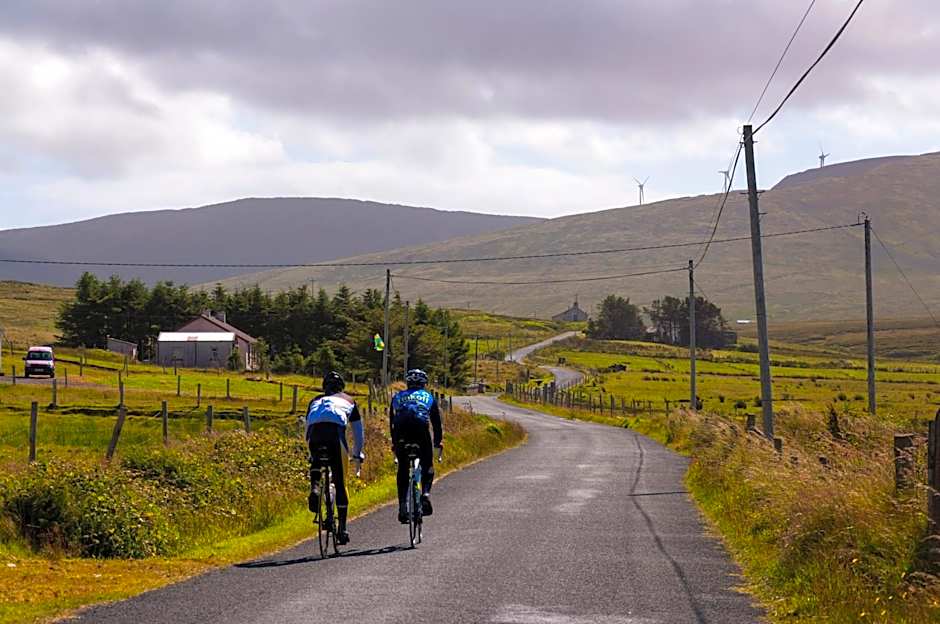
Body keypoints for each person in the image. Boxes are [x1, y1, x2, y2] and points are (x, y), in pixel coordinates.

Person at [306, 371, 364, 545]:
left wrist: (310, 453)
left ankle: (315, 487)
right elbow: (358, 433)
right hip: (335, 436)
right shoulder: (349, 400)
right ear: (342, 387)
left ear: (324, 387)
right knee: (340, 482)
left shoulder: (315, 401)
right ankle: (343, 528)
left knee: (316, 464)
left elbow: (307, 427)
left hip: (314, 435)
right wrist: (357, 453)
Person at [390, 369, 443, 524]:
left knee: (403, 468)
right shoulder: (428, 397)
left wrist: (395, 443)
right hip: (420, 429)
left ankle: (402, 506)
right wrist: (437, 442)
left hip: (401, 431)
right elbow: (437, 424)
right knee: (427, 464)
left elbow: (392, 423)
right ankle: (425, 494)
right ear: (424, 384)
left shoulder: (398, 397)